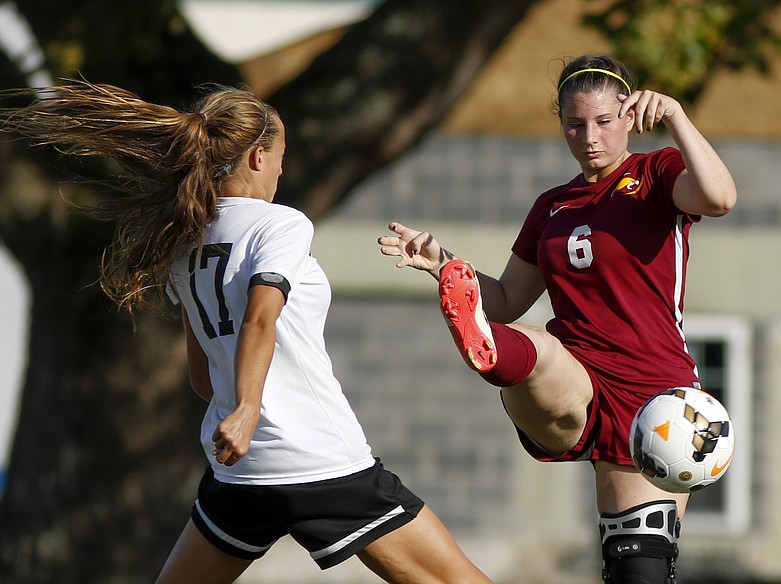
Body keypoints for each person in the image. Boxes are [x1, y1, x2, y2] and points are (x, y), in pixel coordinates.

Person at [0, 81, 492, 584]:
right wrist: (249, 410)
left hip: (241, 472)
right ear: (258, 156)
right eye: (280, 156)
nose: (282, 168)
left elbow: (202, 375)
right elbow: (261, 316)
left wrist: (239, 413)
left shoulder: (185, 235)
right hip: (318, 461)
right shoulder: (281, 225)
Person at [378, 54, 737, 584]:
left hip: (652, 397)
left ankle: (496, 350)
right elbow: (501, 299)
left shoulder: (656, 172)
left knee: (637, 567)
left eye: (603, 122)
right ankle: (491, 351)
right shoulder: (552, 206)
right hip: (574, 377)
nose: (588, 136)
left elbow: (721, 197)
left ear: (630, 115)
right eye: (574, 123)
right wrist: (442, 263)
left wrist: (679, 119)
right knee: (531, 344)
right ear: (561, 123)